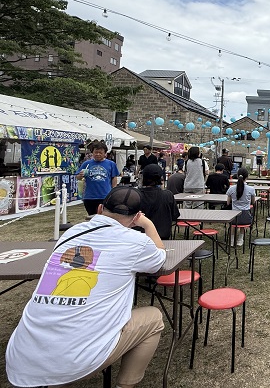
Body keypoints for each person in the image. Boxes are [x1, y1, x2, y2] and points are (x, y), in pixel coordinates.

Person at [5, 187, 166, 388]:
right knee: (154, 318)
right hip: (78, 360)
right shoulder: (137, 242)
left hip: (20, 359)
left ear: (99, 208)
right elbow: (159, 258)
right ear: (136, 218)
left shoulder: (71, 233)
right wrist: (147, 224)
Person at [76, 141, 120, 215]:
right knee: (92, 217)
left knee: (104, 217)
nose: (98, 154)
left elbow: (114, 178)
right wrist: (80, 176)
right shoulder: (86, 164)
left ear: (105, 153)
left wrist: (113, 191)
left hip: (105, 196)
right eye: (96, 152)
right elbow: (78, 177)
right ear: (92, 153)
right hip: (89, 197)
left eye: (100, 153)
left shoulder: (111, 164)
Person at [139, 164, 180, 240]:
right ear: (160, 178)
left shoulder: (136, 195)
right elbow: (175, 215)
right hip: (162, 237)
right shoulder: (167, 195)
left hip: (141, 238)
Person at [226, 167, 256, 247]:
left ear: (237, 175)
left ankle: (232, 241)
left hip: (233, 215)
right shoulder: (251, 189)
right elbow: (253, 202)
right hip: (245, 216)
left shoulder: (231, 188)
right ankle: (240, 239)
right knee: (243, 223)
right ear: (247, 177)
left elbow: (228, 202)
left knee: (233, 225)